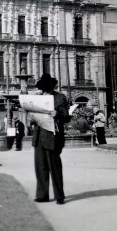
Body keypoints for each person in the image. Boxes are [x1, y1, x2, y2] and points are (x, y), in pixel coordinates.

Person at [29, 73, 71, 205]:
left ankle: (59, 196)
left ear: (51, 87)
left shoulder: (60, 98)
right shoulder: (38, 99)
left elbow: (66, 116)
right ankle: (42, 195)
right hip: (39, 137)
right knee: (40, 167)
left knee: (55, 167)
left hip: (52, 137)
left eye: (47, 87)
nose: (45, 90)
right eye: (43, 88)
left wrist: (57, 114)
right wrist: (31, 118)